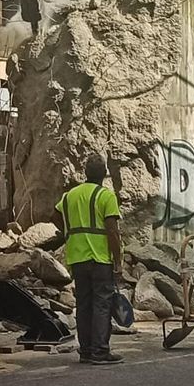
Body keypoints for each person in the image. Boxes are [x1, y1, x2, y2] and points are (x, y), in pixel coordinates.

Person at [55, 153, 124, 364]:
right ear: (104, 174)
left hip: (77, 256)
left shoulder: (69, 196)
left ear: (85, 173)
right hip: (99, 258)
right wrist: (118, 260)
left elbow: (54, 216)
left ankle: (85, 350)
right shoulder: (106, 196)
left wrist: (70, 231)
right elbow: (112, 231)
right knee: (102, 304)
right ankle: (100, 351)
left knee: (83, 304)